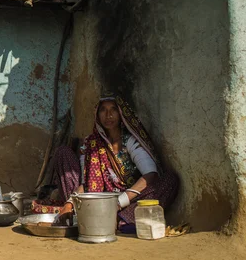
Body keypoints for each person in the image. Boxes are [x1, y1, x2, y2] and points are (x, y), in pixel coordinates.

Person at [53, 93, 178, 229]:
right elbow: (87, 184)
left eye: (113, 109)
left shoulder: (130, 142)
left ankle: (120, 220)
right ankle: (78, 213)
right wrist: (70, 203)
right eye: (103, 110)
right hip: (97, 201)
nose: (108, 115)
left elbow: (150, 174)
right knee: (63, 152)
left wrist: (119, 202)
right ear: (97, 115)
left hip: (127, 200)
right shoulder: (91, 144)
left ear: (121, 114)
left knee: (170, 180)